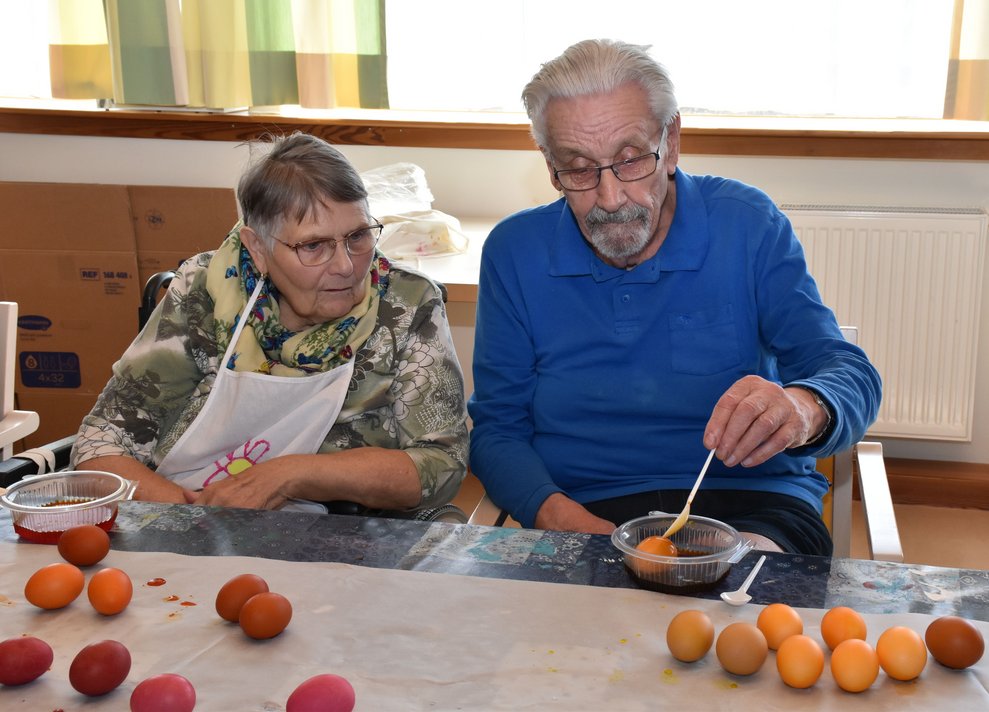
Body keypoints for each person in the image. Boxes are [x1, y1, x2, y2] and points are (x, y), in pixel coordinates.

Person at [467, 39, 881, 555]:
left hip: (753, 503)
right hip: (583, 510)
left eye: (631, 159)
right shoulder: (514, 252)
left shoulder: (747, 224)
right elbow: (497, 430)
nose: (611, 198)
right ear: (550, 169)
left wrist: (804, 408)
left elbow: (849, 373)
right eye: (578, 169)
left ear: (673, 142)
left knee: (737, 607)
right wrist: (565, 520)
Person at [72, 132, 468, 515]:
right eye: (313, 246)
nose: (347, 266)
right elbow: (100, 444)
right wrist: (193, 516)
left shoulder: (405, 303)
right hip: (193, 509)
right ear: (257, 248)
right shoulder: (204, 292)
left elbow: (441, 464)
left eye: (359, 236)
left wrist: (293, 474)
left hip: (356, 528)